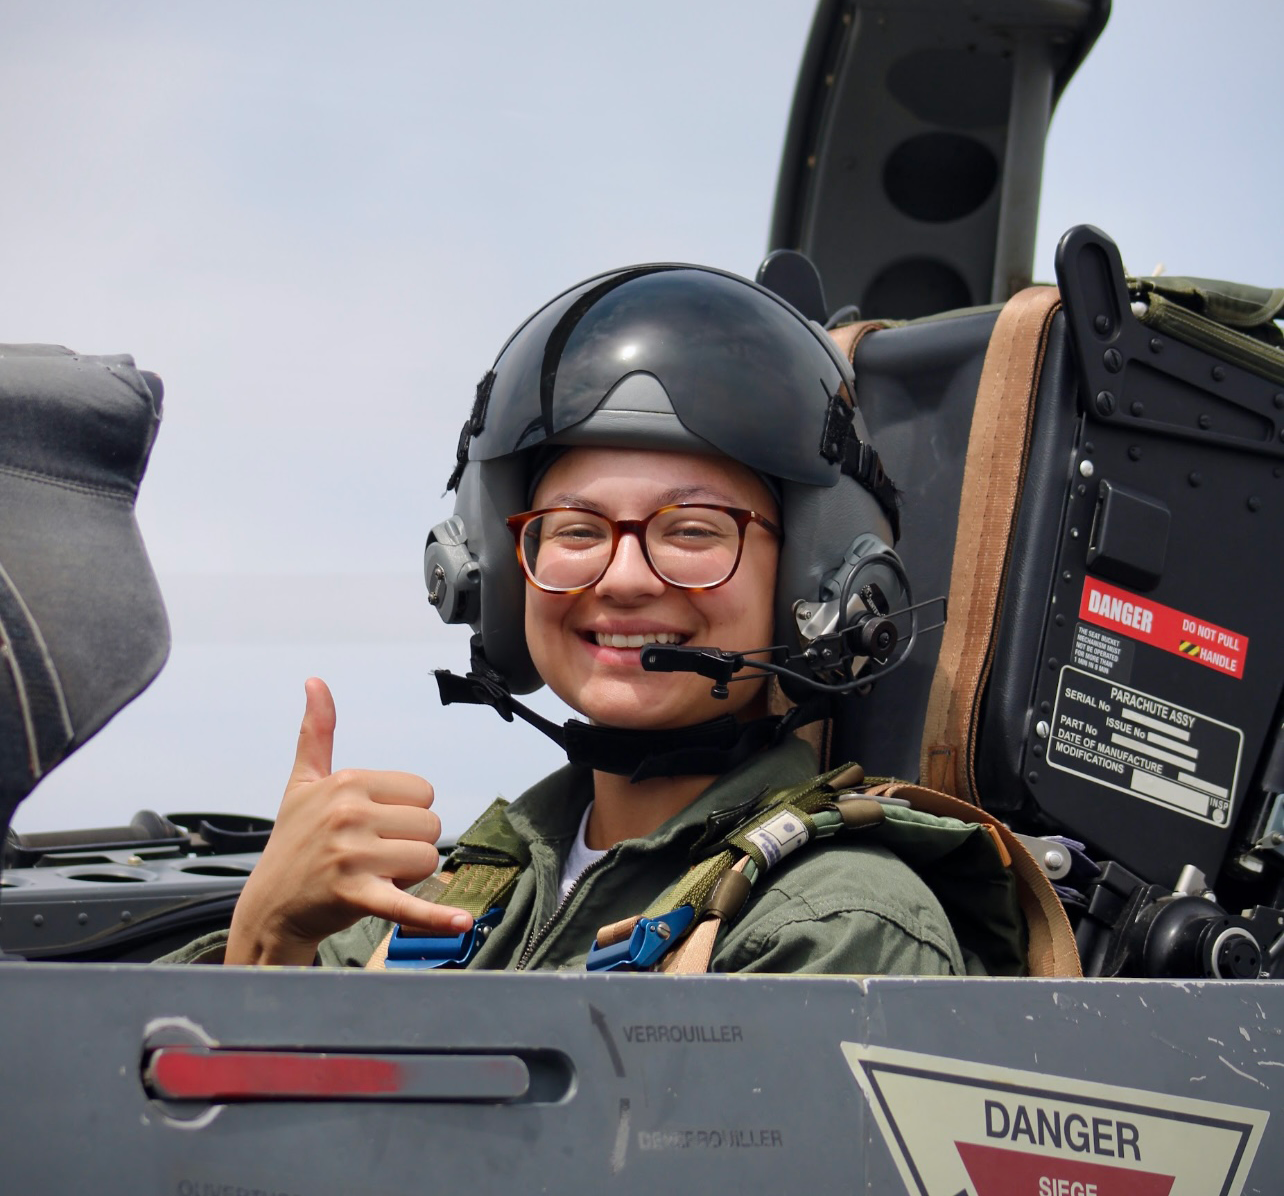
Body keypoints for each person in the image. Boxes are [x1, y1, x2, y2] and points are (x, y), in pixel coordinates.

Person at [165, 265, 1024, 976]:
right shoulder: (469, 894)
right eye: (574, 530)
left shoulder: (834, 922)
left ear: (820, 582)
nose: (621, 578)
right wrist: (269, 934)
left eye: (692, 531)